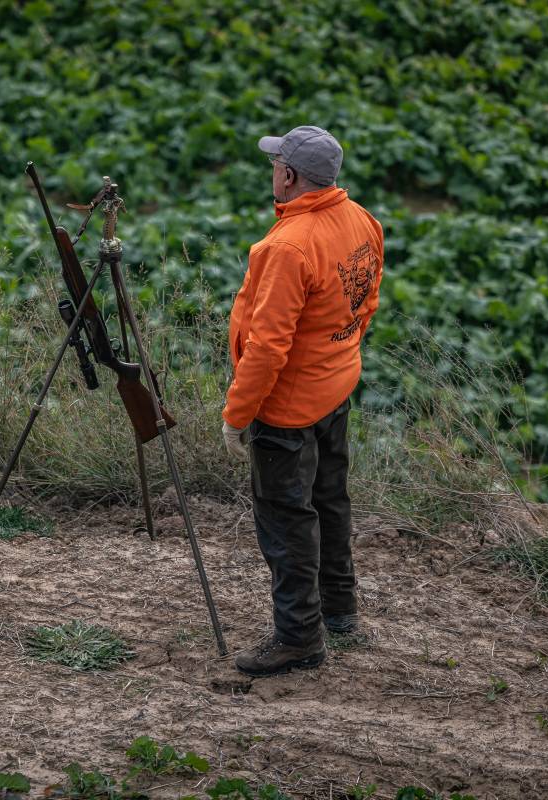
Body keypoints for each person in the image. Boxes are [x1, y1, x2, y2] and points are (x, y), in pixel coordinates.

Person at [222, 125, 384, 676]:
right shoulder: (362, 220)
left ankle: (298, 637)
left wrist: (237, 414)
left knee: (288, 520)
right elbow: (367, 302)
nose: (272, 171)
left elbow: (267, 348)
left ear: (289, 175)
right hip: (335, 385)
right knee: (330, 499)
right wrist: (337, 356)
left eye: (275, 164)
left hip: (287, 407)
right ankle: (340, 611)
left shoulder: (287, 247)